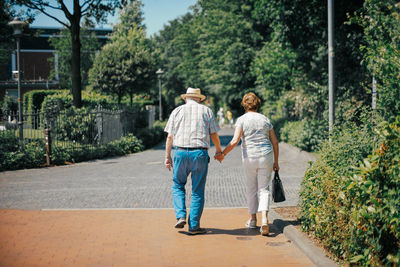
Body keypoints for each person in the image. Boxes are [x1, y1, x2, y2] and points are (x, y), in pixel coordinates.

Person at [217, 92, 279, 236]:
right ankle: (264, 219)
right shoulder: (265, 119)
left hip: (249, 157)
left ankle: (252, 220)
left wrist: (223, 154)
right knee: (264, 189)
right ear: (257, 103)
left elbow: (234, 141)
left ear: (244, 104)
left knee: (251, 188)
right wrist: (276, 161)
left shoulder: (242, 120)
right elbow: (275, 142)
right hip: (266, 156)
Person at [164, 87, 223, 235]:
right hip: (199, 153)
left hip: (180, 152)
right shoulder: (206, 111)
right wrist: (218, 150)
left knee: (178, 185)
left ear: (185, 98)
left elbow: (170, 137)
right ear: (199, 99)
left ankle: (181, 216)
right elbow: (214, 134)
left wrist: (167, 157)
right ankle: (194, 226)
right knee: (197, 190)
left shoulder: (176, 111)